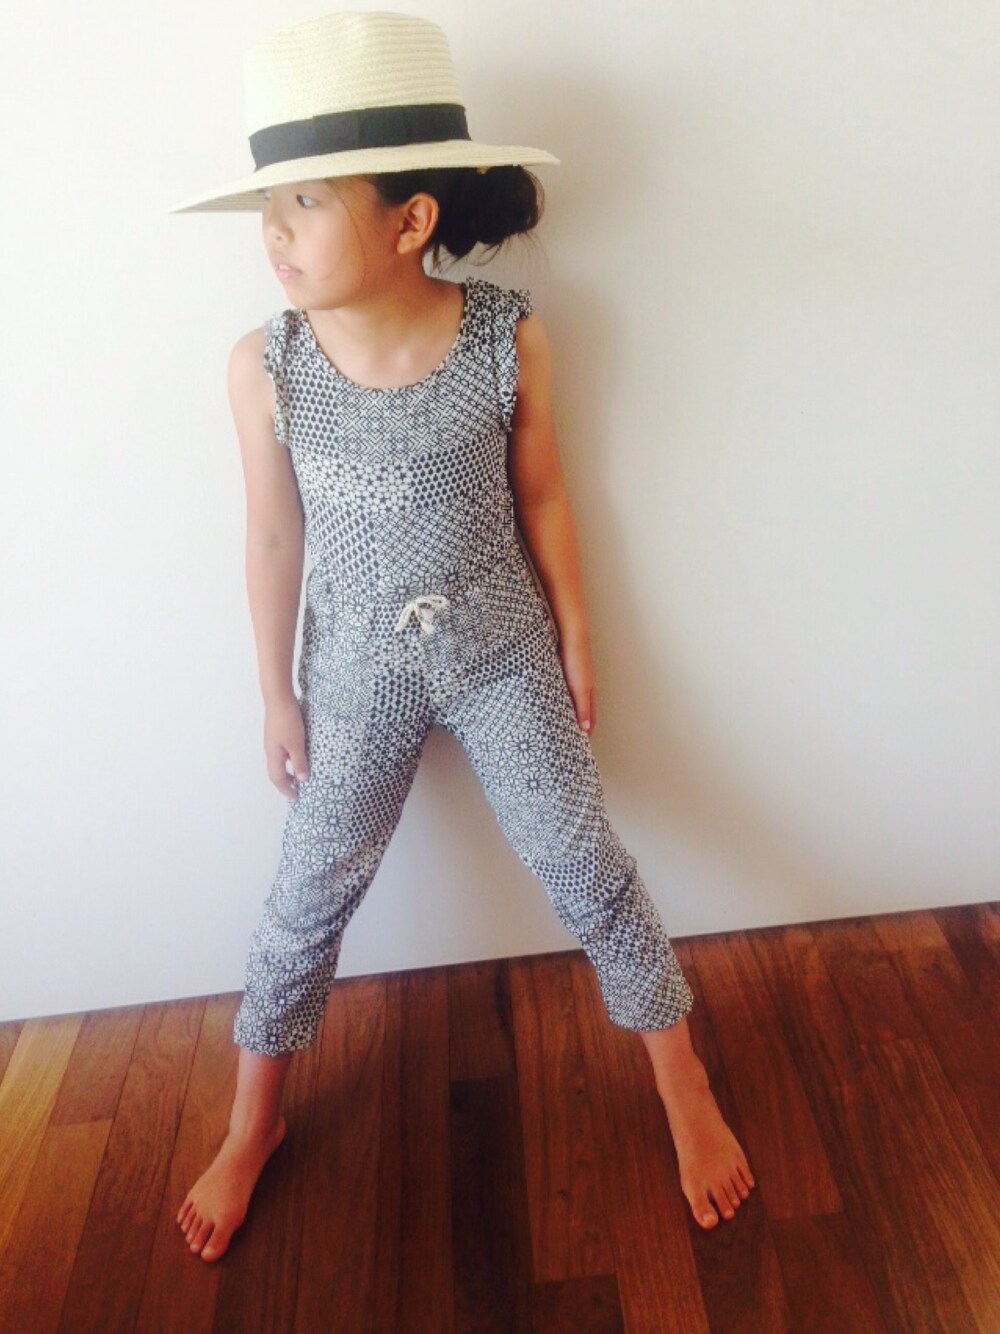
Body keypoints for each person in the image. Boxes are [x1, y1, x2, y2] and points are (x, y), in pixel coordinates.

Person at [169, 9, 754, 1263]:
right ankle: (252, 1116)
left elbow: (546, 496)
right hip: (351, 669)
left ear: (409, 220)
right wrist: (275, 692)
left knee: (584, 861)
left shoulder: (505, 336)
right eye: (268, 202)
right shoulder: (264, 366)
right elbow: (271, 538)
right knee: (306, 893)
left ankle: (682, 1077)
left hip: (499, 650)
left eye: (305, 200)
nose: (273, 230)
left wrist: (578, 640)